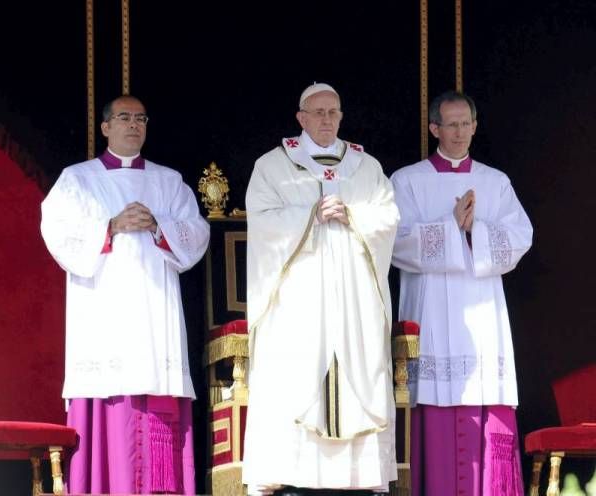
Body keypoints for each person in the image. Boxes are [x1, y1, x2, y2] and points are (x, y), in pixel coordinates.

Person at [40, 95, 210, 495]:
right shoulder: (77, 179)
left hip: (156, 318)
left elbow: (197, 233)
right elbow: (57, 232)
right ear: (105, 127)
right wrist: (110, 227)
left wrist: (160, 227)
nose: (134, 125)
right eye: (124, 118)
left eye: (141, 118)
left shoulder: (168, 182)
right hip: (103, 313)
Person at [242, 83, 400, 495]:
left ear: (341, 116)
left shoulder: (366, 167)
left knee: (358, 372)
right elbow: (260, 219)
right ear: (301, 118)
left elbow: (388, 218)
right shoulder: (273, 165)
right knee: (294, 373)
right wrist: (309, 214)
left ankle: (361, 478)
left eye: (333, 112)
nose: (327, 119)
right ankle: (290, 474)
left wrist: (353, 216)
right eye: (318, 112)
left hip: (354, 298)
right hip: (299, 297)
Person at [390, 90, 533, 496]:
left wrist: (475, 231)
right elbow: (394, 242)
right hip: (431, 307)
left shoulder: (495, 181)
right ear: (434, 127)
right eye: (450, 124)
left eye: (465, 124)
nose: (459, 132)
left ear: (475, 126)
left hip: (482, 311)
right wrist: (449, 224)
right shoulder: (407, 180)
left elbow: (522, 236)